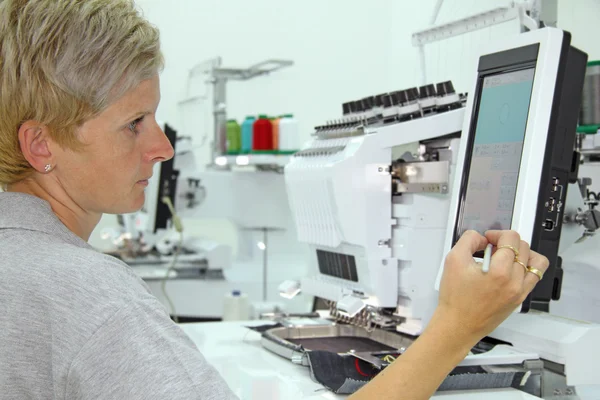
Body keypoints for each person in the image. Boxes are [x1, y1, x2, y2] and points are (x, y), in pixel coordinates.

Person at [0, 1, 549, 399]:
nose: (163, 147)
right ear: (41, 144)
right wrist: (457, 328)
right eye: (134, 123)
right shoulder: (89, 295)